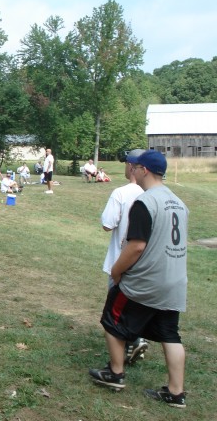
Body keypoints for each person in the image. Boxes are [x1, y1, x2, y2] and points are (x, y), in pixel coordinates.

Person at [89, 150, 189, 409]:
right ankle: (176, 393)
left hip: (146, 281)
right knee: (170, 334)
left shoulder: (145, 203)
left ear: (143, 170)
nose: (132, 170)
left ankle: (115, 373)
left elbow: (136, 247)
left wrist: (116, 270)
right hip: (174, 281)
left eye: (136, 167)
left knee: (112, 321)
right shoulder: (179, 203)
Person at [100, 149, 149, 365]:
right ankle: (135, 340)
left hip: (121, 258)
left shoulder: (120, 193)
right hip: (146, 263)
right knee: (136, 303)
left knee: (115, 309)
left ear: (131, 167)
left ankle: (126, 351)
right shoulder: (154, 193)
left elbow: (107, 224)